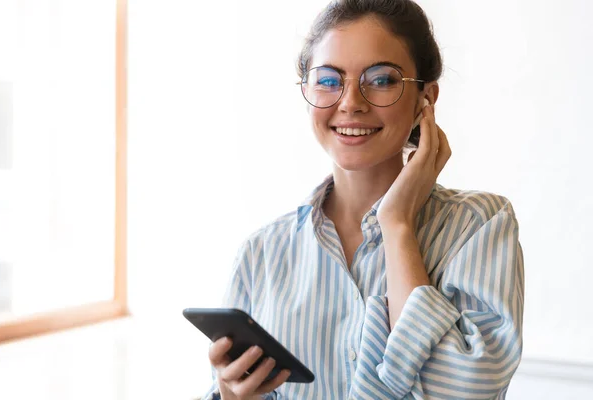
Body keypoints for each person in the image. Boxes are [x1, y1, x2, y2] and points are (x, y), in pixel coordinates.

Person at [204, 0, 524, 398]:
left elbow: (463, 393)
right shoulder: (262, 253)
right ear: (306, 91)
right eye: (327, 80)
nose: (351, 102)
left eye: (382, 79)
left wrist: (397, 224)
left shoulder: (479, 226)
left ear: (426, 97)